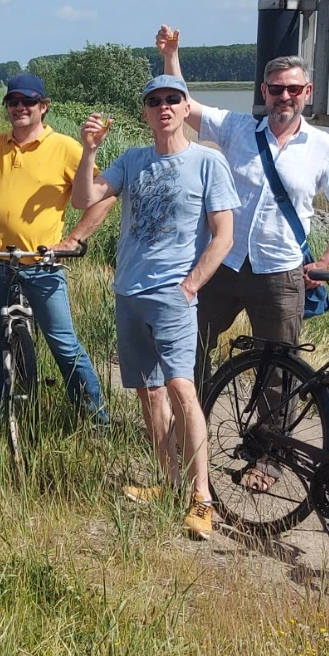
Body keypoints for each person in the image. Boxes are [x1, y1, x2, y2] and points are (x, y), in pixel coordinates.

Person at [152, 27, 329, 395]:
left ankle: (269, 448)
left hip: (280, 272)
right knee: (192, 342)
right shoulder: (238, 129)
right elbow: (186, 106)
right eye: (277, 89)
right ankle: (192, 423)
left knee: (279, 368)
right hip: (224, 262)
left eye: (293, 89)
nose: (285, 96)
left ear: (306, 93)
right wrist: (171, 56)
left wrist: (327, 261)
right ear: (264, 92)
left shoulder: (324, 147)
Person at [73, 75, 236, 540]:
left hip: (174, 296)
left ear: (186, 109)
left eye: (172, 99)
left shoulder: (208, 163)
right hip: (129, 292)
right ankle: (168, 483)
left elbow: (223, 235)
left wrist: (190, 286)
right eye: (154, 101)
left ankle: (202, 497)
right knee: (148, 392)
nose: (163, 106)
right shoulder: (133, 160)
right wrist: (88, 151)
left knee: (183, 389)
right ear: (145, 112)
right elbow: (84, 199)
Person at [0, 72, 115, 428]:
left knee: (64, 344)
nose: (20, 108)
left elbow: (104, 195)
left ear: (44, 106)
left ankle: (97, 420)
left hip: (42, 264)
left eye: (28, 101)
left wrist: (74, 240)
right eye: (13, 102)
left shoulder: (65, 147)